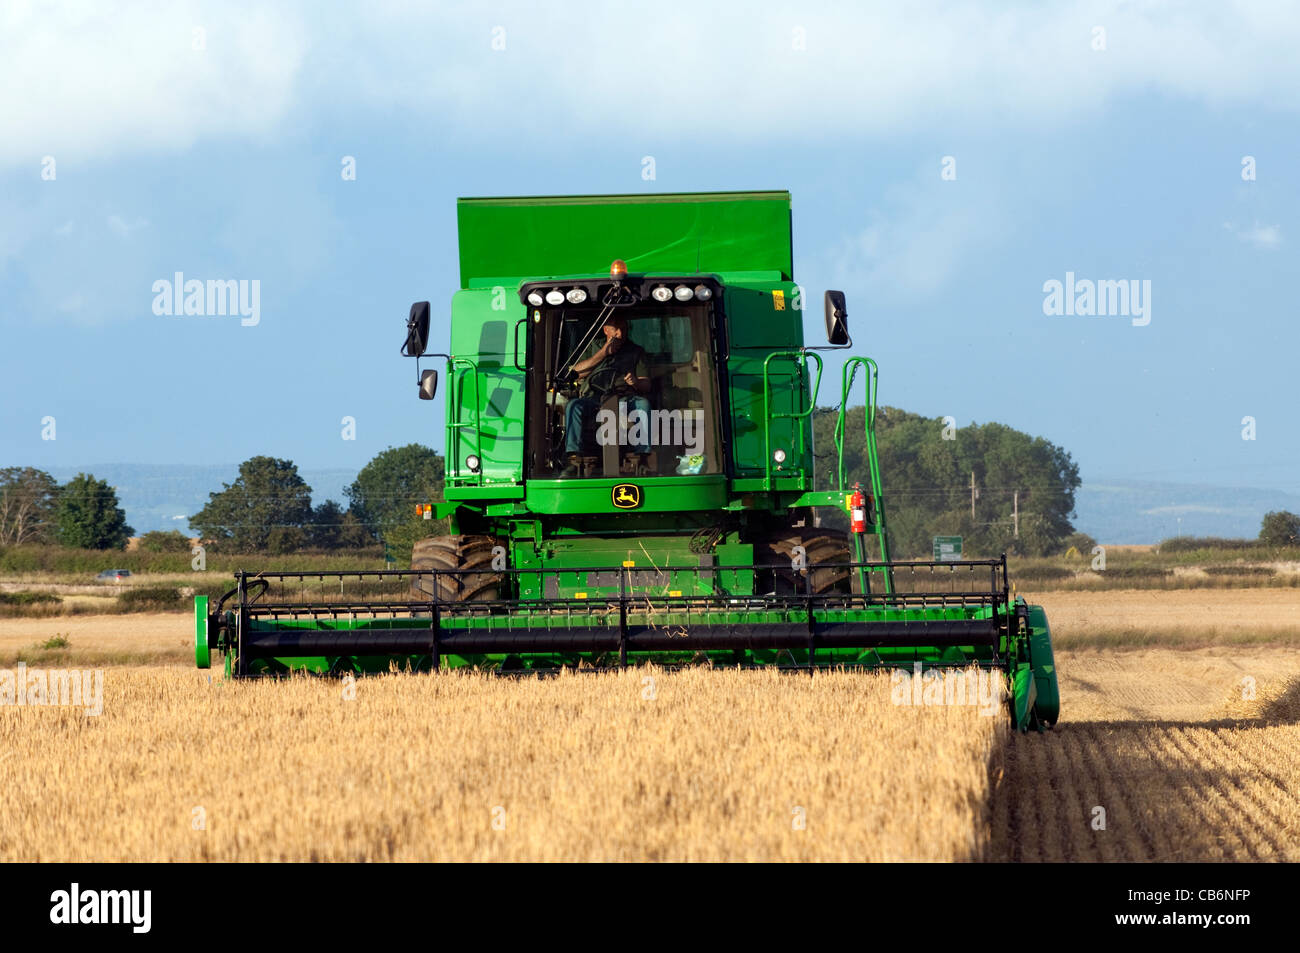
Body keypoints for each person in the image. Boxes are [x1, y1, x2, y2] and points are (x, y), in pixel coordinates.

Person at [562, 314, 651, 476]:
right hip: (593, 399)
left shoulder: (636, 351)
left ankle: (642, 457)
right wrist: (602, 353)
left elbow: (646, 383)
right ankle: (574, 459)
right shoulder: (592, 347)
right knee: (573, 406)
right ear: (605, 330)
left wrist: (635, 382)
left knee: (642, 405)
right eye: (615, 329)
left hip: (624, 399)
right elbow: (575, 373)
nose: (620, 334)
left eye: (623, 329)